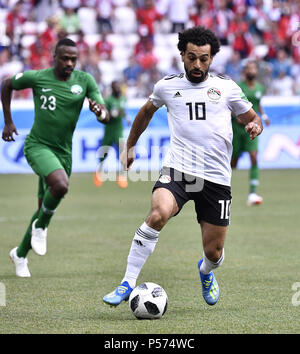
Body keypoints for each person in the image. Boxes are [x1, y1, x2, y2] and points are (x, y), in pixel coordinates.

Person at [103, 26, 263, 307]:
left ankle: (205, 271)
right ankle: (127, 281)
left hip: (215, 178)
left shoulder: (226, 88)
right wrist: (129, 146)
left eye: (203, 58)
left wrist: (254, 124)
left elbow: (252, 117)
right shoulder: (167, 86)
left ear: (212, 58)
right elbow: (145, 112)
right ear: (182, 55)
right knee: (158, 213)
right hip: (179, 170)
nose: (197, 64)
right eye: (191, 57)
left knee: (214, 253)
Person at [1, 38, 109, 277]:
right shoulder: (39, 78)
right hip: (38, 146)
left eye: (73, 59)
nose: (69, 63)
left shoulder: (85, 81)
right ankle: (41, 226)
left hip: (64, 152)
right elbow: (6, 83)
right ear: (55, 57)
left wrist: (99, 112)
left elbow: (104, 113)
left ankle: (19, 255)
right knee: (60, 186)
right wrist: (8, 121)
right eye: (65, 58)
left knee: (43, 207)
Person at [231, 60, 270, 206]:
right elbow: (232, 105)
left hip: (253, 128)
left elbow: (258, 103)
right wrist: (237, 116)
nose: (252, 71)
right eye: (249, 68)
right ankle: (220, 188)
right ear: (244, 71)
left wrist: (264, 117)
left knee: (254, 157)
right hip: (237, 129)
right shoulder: (238, 87)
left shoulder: (260, 87)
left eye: (254, 68)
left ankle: (253, 193)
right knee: (233, 162)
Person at [94, 80, 130, 189]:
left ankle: (122, 176)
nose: (117, 88)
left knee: (122, 151)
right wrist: (113, 114)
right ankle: (98, 172)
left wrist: (126, 117)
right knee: (104, 151)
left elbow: (122, 110)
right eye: (115, 87)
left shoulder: (123, 98)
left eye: (118, 86)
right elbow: (108, 114)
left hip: (119, 129)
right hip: (109, 129)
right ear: (112, 88)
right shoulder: (108, 100)